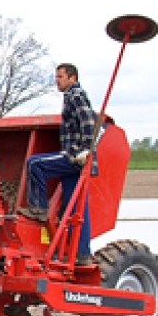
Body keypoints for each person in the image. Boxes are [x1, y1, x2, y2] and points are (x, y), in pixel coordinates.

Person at [18, 63, 96, 265]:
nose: (57, 81)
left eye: (60, 77)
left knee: (35, 164)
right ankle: (82, 253)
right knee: (76, 208)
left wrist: (86, 150)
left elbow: (88, 121)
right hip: (77, 158)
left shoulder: (75, 95)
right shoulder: (71, 96)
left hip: (74, 157)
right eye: (57, 77)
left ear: (72, 78)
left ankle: (39, 209)